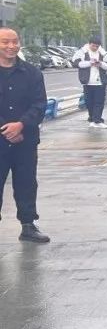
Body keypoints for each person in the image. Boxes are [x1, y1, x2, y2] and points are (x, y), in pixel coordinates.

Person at [0, 28, 48, 243]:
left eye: (15, 41)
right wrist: (7, 129)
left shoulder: (32, 73)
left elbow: (39, 104)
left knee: (26, 183)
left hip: (25, 139)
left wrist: (21, 125)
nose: (11, 46)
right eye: (5, 42)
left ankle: (28, 225)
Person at [74, 36, 107, 128]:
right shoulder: (83, 52)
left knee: (99, 102)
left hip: (100, 82)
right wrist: (89, 63)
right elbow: (76, 63)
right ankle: (92, 119)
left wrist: (100, 64)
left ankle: (98, 120)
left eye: (97, 46)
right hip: (87, 82)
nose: (95, 48)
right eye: (93, 46)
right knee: (89, 102)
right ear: (89, 44)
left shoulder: (102, 53)